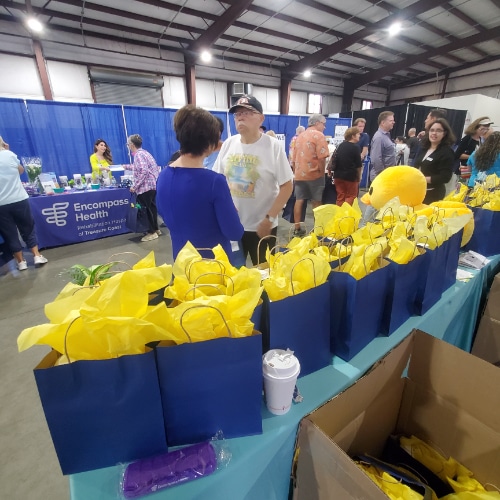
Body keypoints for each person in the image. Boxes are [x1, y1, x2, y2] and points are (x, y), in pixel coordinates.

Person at [213, 95, 293, 265]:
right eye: (237, 114)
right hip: (232, 227)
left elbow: (287, 186)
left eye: (247, 112)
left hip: (262, 227)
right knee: (234, 274)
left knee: (264, 273)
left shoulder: (273, 147)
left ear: (261, 118)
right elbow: (218, 181)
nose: (240, 116)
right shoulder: (228, 144)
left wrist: (269, 218)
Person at [156, 105, 243, 260]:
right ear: (210, 143)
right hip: (212, 265)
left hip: (182, 261)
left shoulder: (163, 176)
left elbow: (164, 214)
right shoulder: (214, 182)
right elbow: (234, 232)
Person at [0, 136, 48, 271]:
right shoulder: (9, 155)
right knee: (27, 228)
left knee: (10, 233)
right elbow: (20, 170)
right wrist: (7, 150)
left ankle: (21, 262)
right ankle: (37, 255)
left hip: (1, 204)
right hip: (18, 198)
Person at [292, 114, 329, 236]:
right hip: (314, 174)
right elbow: (322, 157)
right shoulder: (319, 136)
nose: (324, 126)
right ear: (317, 123)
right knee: (316, 202)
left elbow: (293, 157)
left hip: (299, 174)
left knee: (299, 200)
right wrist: (322, 173)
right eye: (323, 124)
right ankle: (318, 229)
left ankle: (297, 228)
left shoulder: (299, 136)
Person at [126, 134, 161, 242]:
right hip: (152, 185)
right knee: (151, 208)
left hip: (145, 187)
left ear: (132, 145)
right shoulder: (145, 153)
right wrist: (125, 166)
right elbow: (141, 167)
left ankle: (151, 232)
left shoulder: (138, 155)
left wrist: (135, 186)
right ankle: (156, 228)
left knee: (145, 210)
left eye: (128, 144)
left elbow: (143, 171)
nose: (128, 146)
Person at [414, 118, 455, 204]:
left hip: (433, 194)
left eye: (438, 130)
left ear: (444, 133)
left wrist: (423, 179)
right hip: (418, 191)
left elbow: (445, 177)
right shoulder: (423, 148)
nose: (434, 133)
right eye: (432, 130)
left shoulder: (446, 152)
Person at [331, 127, 362, 206]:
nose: (359, 136)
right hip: (350, 176)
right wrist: (359, 176)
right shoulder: (355, 147)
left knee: (340, 196)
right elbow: (358, 164)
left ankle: (339, 214)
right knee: (351, 196)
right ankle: (346, 214)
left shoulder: (340, 145)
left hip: (338, 175)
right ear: (353, 136)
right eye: (358, 134)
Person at [369, 111, 396, 182]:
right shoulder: (379, 137)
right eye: (391, 120)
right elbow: (375, 159)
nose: (393, 122)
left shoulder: (386, 136)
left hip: (385, 176)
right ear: (383, 123)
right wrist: (382, 174)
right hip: (381, 177)